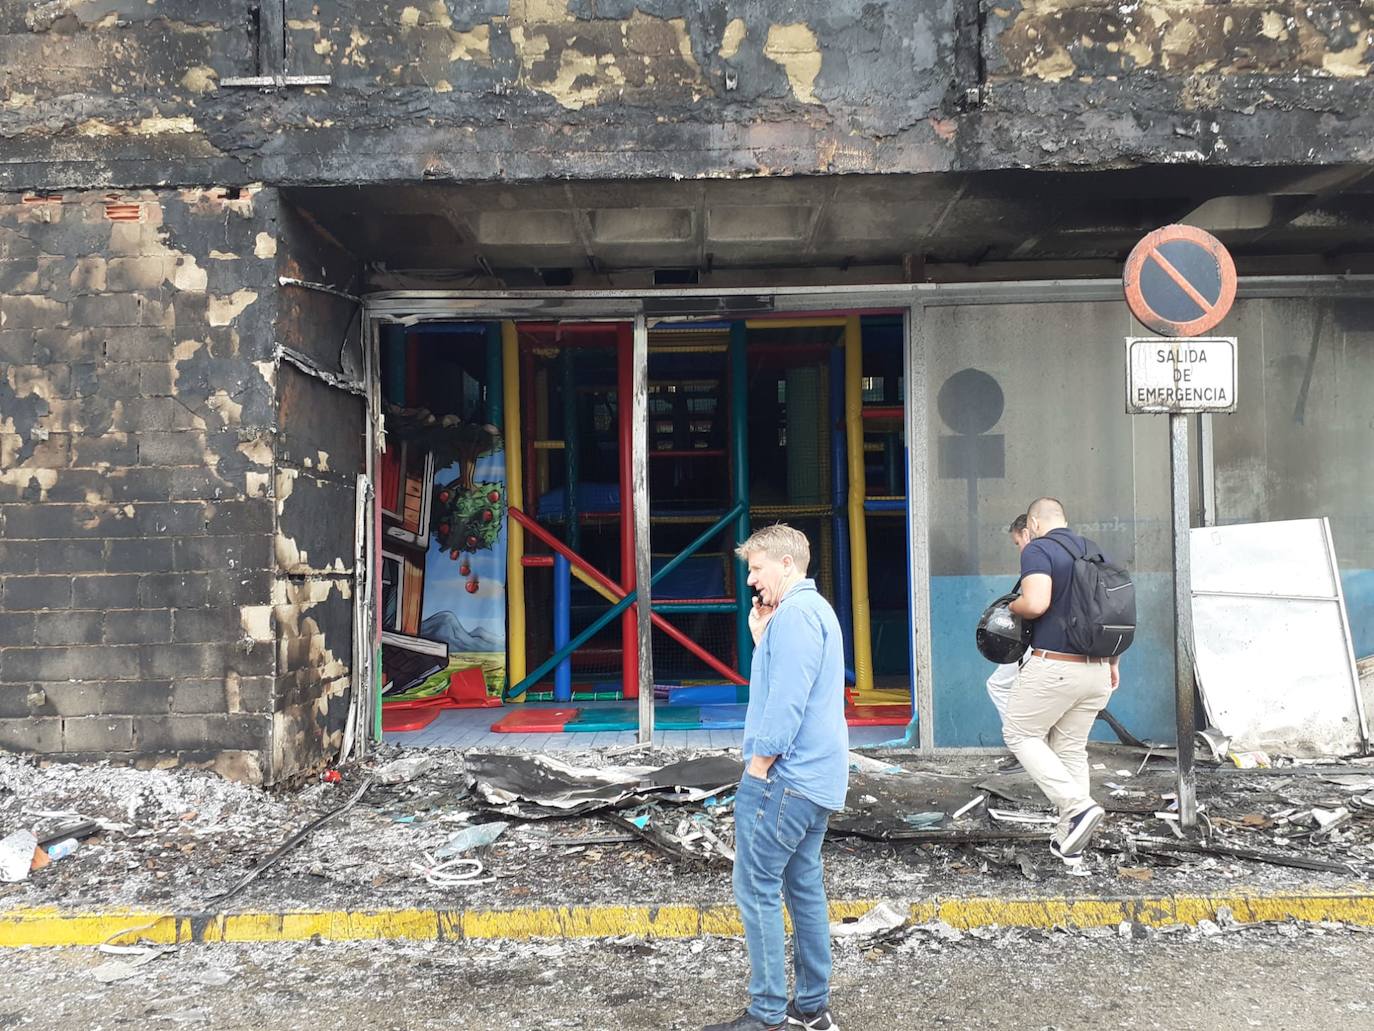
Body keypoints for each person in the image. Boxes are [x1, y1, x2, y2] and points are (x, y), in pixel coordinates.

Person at [705, 524, 847, 1031]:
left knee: (756, 886)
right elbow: (795, 685)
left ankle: (766, 1015)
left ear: (787, 564)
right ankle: (811, 1007)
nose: (750, 580)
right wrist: (761, 638)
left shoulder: (795, 618)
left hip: (786, 779)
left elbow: (786, 702)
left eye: (756, 567)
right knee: (802, 885)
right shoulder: (814, 613)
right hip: (819, 780)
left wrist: (758, 768)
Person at [1006, 497, 1119, 861]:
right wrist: (1113, 662)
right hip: (1099, 669)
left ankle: (1077, 807)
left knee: (1020, 732)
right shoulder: (1094, 551)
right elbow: (1110, 610)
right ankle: (1070, 839)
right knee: (1069, 749)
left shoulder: (1038, 549)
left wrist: (1012, 605)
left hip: (1056, 666)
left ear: (1034, 524)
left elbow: (1036, 603)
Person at [984, 513, 1033, 725]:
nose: (1019, 548)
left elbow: (1034, 605)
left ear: (1026, 534)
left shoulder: (1036, 561)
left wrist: (1013, 606)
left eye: (1017, 543)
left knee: (997, 685)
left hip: (1041, 643)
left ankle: (1019, 738)